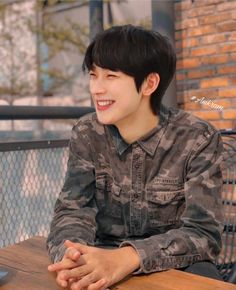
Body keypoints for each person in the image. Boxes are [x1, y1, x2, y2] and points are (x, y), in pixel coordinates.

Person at [47, 24, 224, 290]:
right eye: (94, 75)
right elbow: (73, 210)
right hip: (101, 253)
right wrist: (72, 255)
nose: (96, 88)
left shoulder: (197, 138)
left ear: (149, 84)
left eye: (111, 76)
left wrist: (129, 257)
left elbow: (203, 234)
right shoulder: (87, 133)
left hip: (175, 262)